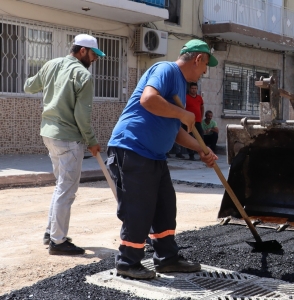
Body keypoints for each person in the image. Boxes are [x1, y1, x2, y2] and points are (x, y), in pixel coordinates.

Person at [106, 39, 218, 279]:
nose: (205, 71)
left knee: (165, 206)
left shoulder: (181, 89)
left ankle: (167, 258)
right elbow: (148, 99)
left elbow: (175, 130)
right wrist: (183, 113)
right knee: (139, 209)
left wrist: (201, 149)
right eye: (206, 64)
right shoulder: (166, 70)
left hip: (155, 155)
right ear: (198, 58)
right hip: (132, 148)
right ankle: (128, 262)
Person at [23, 34, 105, 256]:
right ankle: (58, 242)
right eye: (93, 54)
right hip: (69, 138)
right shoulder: (83, 75)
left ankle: (51, 233)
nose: (95, 59)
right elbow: (82, 115)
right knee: (66, 189)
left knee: (61, 185)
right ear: (81, 51)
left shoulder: (51, 64)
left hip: (49, 134)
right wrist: (92, 141)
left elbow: (29, 86)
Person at [185, 82, 205, 160]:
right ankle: (191, 155)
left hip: (198, 121)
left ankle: (202, 154)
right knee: (189, 137)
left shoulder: (199, 98)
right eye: (192, 88)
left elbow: (202, 107)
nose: (194, 90)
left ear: (197, 89)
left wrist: (201, 117)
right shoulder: (186, 97)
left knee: (200, 137)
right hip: (188, 121)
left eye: (195, 88)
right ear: (189, 89)